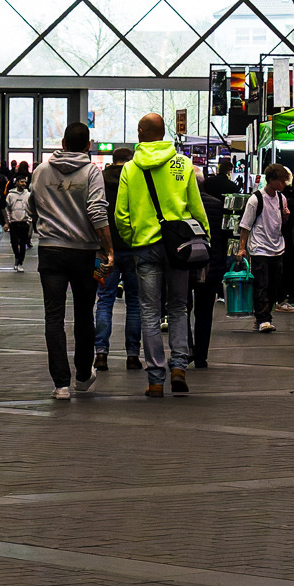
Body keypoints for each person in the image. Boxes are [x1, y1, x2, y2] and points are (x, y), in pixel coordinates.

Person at [111, 115, 208, 398]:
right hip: (179, 247)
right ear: (164, 132)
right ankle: (179, 367)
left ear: (141, 132)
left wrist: (133, 238)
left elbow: (120, 214)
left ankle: (155, 378)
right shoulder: (183, 164)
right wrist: (206, 239)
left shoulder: (130, 169)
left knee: (149, 312)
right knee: (178, 307)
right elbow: (196, 207)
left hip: (145, 246)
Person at [28, 122, 111, 399]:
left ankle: (61, 384)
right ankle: (84, 376)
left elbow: (32, 206)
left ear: (63, 143)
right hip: (84, 252)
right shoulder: (91, 172)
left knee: (54, 316)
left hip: (50, 251)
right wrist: (108, 248)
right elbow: (97, 210)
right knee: (84, 314)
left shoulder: (41, 170)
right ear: (88, 145)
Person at [92, 144, 141, 371]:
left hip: (104, 251)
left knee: (104, 300)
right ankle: (133, 355)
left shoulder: (99, 180)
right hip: (134, 249)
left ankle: (101, 353)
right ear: (130, 160)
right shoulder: (136, 180)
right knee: (134, 302)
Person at [189, 158, 237, 370]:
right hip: (211, 265)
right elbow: (225, 239)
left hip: (184, 265)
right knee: (204, 312)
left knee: (180, 309)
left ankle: (186, 349)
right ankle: (201, 356)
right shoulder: (218, 206)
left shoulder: (179, 207)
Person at [240, 162, 292, 333]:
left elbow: (280, 222)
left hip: (277, 248)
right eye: (281, 181)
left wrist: (285, 217)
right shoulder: (255, 199)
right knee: (261, 285)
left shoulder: (281, 198)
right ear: (271, 180)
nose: (284, 184)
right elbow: (245, 226)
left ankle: (265, 316)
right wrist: (242, 248)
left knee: (274, 287)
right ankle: (263, 319)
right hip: (259, 248)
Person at [4, 178, 32, 270]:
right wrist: (8, 221)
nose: (24, 183)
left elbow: (31, 208)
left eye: (25, 182)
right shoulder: (10, 195)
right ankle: (17, 257)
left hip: (24, 222)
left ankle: (20, 262)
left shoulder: (28, 195)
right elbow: (7, 208)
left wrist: (29, 220)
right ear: (17, 183)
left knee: (23, 243)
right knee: (14, 243)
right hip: (14, 222)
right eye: (21, 182)